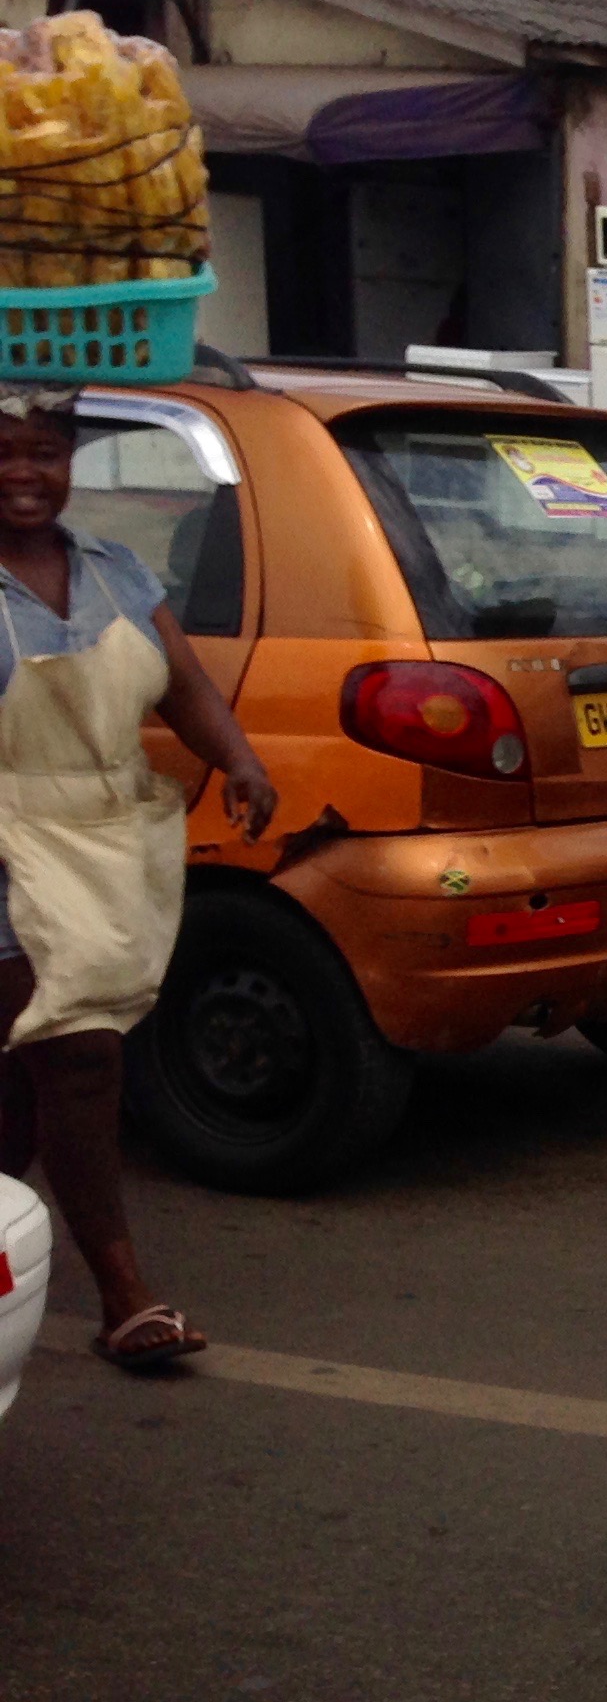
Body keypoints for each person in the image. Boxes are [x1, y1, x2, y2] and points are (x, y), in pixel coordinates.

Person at [0, 387, 278, 1368]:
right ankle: (125, 1298)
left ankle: (12, 1249)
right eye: (2, 453)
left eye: (44, 452)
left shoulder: (115, 569)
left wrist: (238, 758)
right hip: (8, 850)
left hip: (106, 838)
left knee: (20, 1081)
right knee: (78, 1056)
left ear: (70, 461)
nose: (23, 474)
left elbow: (186, 683)